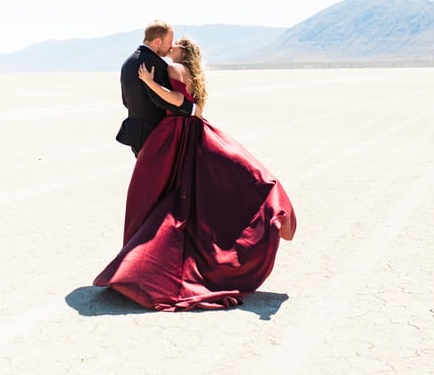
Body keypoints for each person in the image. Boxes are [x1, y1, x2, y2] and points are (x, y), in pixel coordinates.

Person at [95, 36, 297, 311]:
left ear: (182, 50)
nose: (171, 47)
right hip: (196, 130)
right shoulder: (193, 73)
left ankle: (150, 267)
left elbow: (177, 100)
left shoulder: (174, 70)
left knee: (178, 200)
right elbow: (197, 109)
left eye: (175, 44)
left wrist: (149, 83)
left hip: (177, 133)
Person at [115, 20, 195, 157]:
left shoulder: (128, 62)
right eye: (169, 41)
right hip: (153, 134)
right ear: (158, 41)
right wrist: (191, 109)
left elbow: (126, 101)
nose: (171, 46)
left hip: (136, 132)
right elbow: (161, 100)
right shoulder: (153, 63)